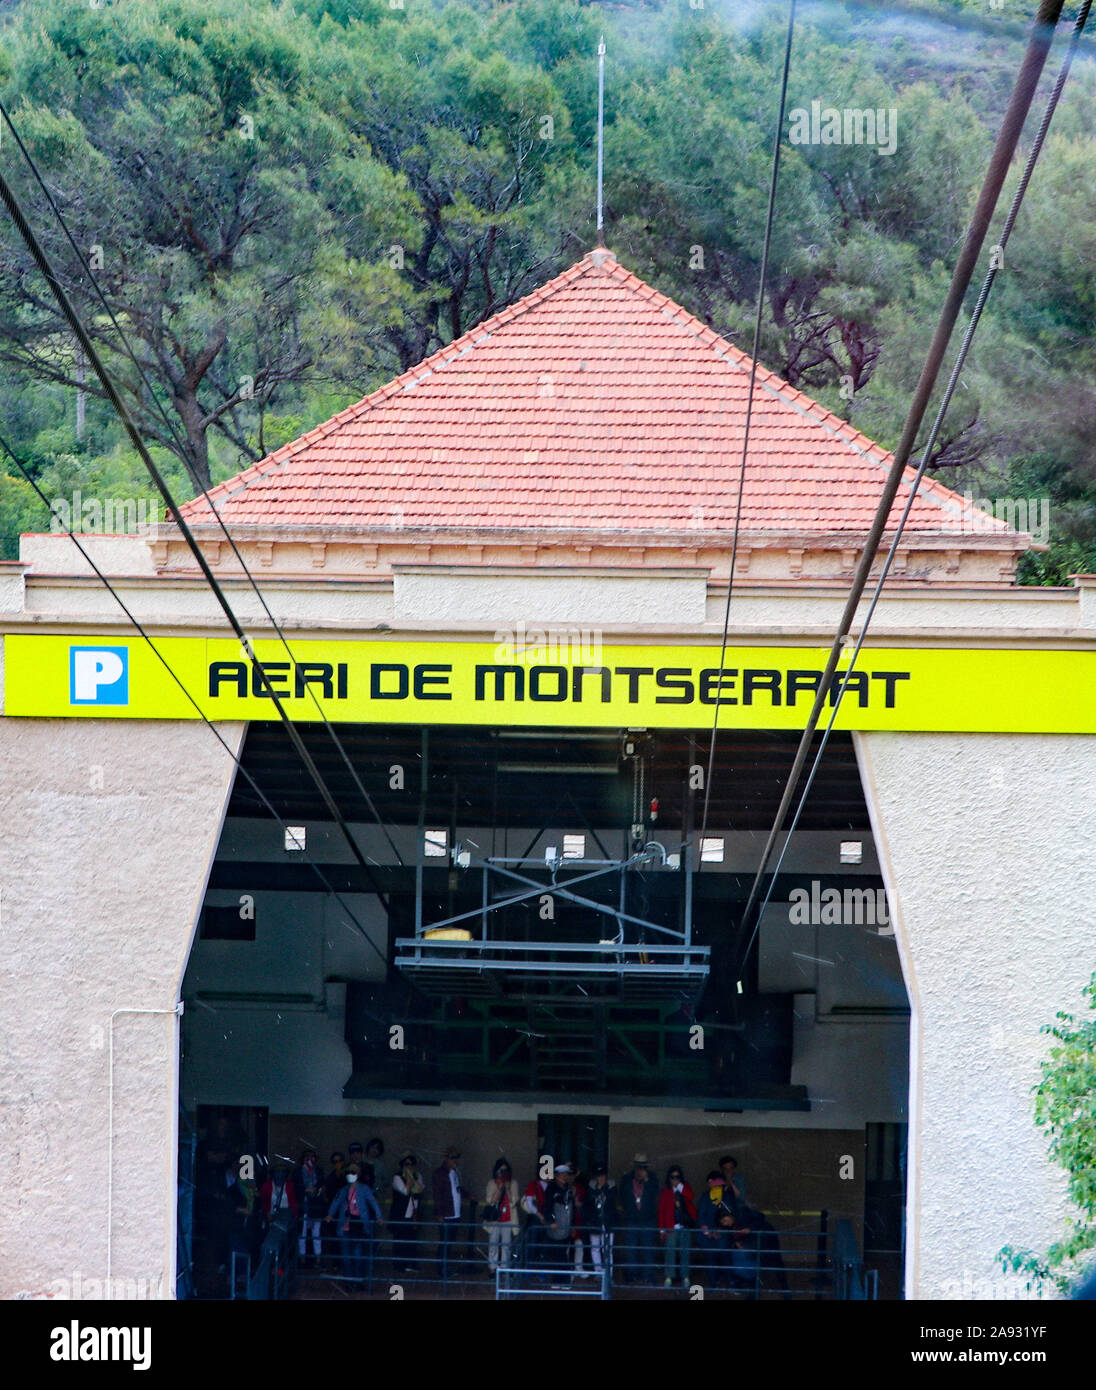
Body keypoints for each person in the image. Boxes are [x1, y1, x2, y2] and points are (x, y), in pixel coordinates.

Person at [326, 1163, 383, 1283]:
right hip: (345, 1226)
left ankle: (358, 1280)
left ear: (358, 1174)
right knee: (346, 1256)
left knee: (358, 1255)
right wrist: (330, 1214)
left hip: (359, 1226)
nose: (350, 1175)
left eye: (353, 1172)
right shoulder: (343, 1190)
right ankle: (348, 1280)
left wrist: (379, 1216)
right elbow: (336, 1203)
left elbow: (373, 1202)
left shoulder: (364, 1189)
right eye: (348, 1173)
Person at [617, 1153, 660, 1285]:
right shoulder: (626, 1179)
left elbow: (655, 1197)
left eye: (643, 1167)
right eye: (638, 1167)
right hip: (632, 1220)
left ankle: (648, 1275)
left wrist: (646, 1182)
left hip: (648, 1220)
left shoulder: (652, 1179)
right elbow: (622, 1198)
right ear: (634, 1167)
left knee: (648, 1249)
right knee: (631, 1250)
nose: (641, 1170)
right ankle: (632, 1274)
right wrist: (629, 1211)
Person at [432, 1146, 468, 1282]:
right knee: (445, 1243)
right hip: (446, 1215)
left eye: (457, 1158)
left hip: (455, 1214)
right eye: (453, 1158)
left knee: (449, 1243)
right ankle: (442, 1270)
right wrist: (439, 1214)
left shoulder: (455, 1172)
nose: (455, 1160)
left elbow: (457, 1190)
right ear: (446, 1158)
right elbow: (437, 1195)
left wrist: (469, 1195)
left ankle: (446, 1268)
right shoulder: (439, 1173)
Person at [658, 1164, 697, 1288]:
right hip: (671, 1227)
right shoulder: (665, 1192)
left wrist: (679, 1186)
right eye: (672, 1177)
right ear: (668, 1178)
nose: (675, 1179)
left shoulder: (685, 1188)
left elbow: (691, 1196)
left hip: (684, 1226)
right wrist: (662, 1230)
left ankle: (685, 1277)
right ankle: (669, 1276)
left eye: (677, 1177)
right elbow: (661, 1211)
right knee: (670, 1252)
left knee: (685, 1252)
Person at [697, 1171, 734, 1289]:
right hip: (708, 1236)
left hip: (722, 1235)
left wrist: (720, 1230)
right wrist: (707, 1231)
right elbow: (701, 1216)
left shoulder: (727, 1197)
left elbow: (730, 1216)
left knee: (726, 1258)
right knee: (711, 1258)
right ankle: (713, 1284)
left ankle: (730, 1283)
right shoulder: (705, 1197)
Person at [580, 1163, 617, 1281]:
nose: (600, 1178)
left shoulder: (611, 1187)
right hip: (594, 1222)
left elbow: (612, 1204)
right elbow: (588, 1205)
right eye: (598, 1176)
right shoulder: (591, 1188)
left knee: (607, 1249)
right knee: (595, 1248)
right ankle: (598, 1273)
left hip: (608, 1222)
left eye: (602, 1176)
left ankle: (608, 1274)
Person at [483, 1158, 519, 1273]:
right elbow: (491, 1201)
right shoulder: (492, 1183)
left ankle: (504, 1268)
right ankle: (492, 1268)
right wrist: (499, 1188)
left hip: (508, 1218)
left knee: (506, 1245)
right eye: (501, 1171)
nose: (503, 1173)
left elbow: (513, 1202)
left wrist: (507, 1188)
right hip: (495, 1219)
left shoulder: (513, 1183)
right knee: (493, 1244)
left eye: (505, 1171)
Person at [542, 1164, 577, 1283]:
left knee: (564, 1254)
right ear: (557, 1176)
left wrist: (572, 1226)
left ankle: (564, 1280)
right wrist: (551, 1221)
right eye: (561, 1174)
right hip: (555, 1229)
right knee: (557, 1255)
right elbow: (546, 1208)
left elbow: (572, 1209)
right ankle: (557, 1281)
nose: (564, 1177)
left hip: (566, 1229)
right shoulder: (551, 1189)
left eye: (566, 1174)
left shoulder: (569, 1189)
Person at [390, 1152, 424, 1273]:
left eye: (412, 1164)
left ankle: (411, 1263)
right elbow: (405, 1191)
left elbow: (420, 1189)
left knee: (412, 1239)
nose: (409, 1166)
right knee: (400, 1239)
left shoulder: (418, 1175)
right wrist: (409, 1178)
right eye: (406, 1164)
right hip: (401, 1213)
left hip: (413, 1213)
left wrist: (413, 1177)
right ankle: (400, 1265)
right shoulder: (397, 1177)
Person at [295, 1148, 325, 1268]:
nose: (309, 1159)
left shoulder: (319, 1171)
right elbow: (295, 1188)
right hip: (303, 1207)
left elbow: (322, 1185)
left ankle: (318, 1259)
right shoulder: (297, 1172)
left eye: (312, 1157)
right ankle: (302, 1260)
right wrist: (305, 1190)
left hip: (316, 1206)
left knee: (316, 1234)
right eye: (306, 1157)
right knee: (301, 1235)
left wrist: (317, 1189)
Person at [521, 1170, 549, 1277]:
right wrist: (539, 1215)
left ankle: (541, 1272)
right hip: (536, 1219)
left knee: (543, 1245)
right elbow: (529, 1203)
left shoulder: (551, 1186)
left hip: (546, 1219)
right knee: (532, 1244)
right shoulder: (533, 1185)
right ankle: (528, 1270)